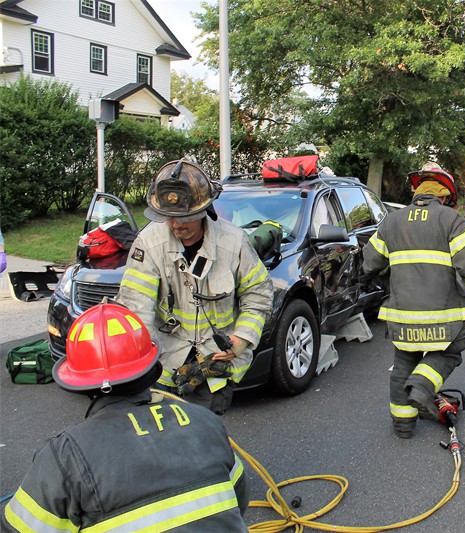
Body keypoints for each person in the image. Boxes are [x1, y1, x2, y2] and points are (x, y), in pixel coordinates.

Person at [1, 303, 249, 531]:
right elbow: (238, 499)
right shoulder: (206, 423)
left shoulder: (64, 455)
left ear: (79, 382)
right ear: (151, 366)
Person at [116, 158, 272, 415]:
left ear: (204, 210)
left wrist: (242, 339)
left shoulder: (233, 243)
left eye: (185, 217)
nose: (176, 225)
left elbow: (258, 294)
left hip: (215, 367)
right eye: (169, 217)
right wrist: (142, 370)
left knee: (207, 439)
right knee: (164, 441)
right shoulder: (148, 244)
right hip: (163, 367)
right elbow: (136, 309)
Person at [362, 163, 465, 438]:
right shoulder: (452, 220)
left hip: (401, 316)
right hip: (443, 315)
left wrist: (385, 275)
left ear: (417, 191)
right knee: (456, 344)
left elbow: (370, 262)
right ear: (445, 196)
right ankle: (422, 386)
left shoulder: (392, 221)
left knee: (404, 361)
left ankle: (403, 425)